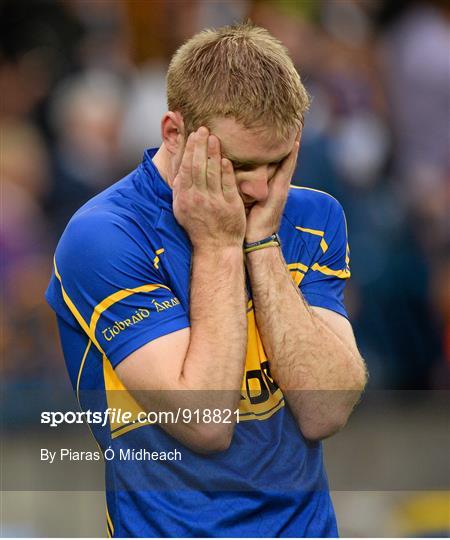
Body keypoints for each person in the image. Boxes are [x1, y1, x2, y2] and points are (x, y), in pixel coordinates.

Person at [46, 23, 367, 538]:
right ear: (174, 133)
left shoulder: (312, 215)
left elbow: (326, 410)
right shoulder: (104, 236)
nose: (261, 188)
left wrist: (261, 243)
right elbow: (205, 422)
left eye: (278, 161)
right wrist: (219, 245)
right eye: (239, 165)